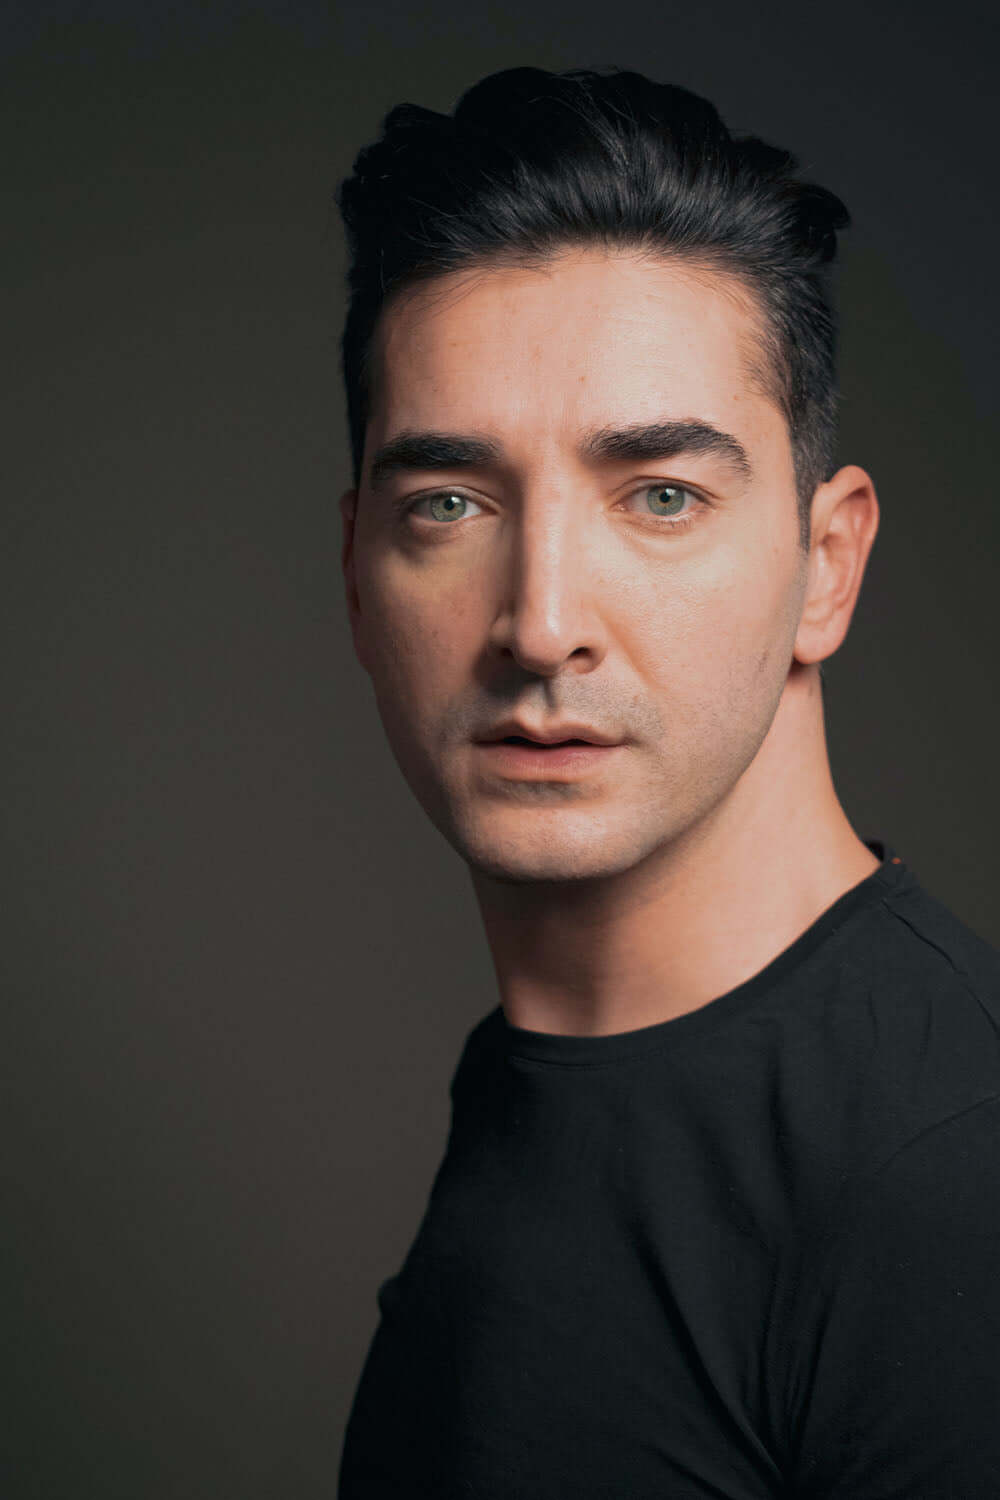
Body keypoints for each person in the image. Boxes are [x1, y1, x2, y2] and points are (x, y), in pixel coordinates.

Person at [334, 65, 1000, 1497]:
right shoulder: (544, 1078)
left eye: (661, 497)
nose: (539, 622)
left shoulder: (955, 1180)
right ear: (356, 575)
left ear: (827, 568)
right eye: (449, 502)